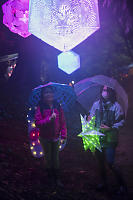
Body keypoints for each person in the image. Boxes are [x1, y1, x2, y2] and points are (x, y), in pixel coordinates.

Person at [88, 85, 127, 194]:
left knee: (110, 162)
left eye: (108, 90)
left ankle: (122, 185)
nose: (106, 93)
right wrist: (89, 118)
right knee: (100, 163)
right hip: (98, 138)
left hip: (110, 139)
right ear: (101, 91)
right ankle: (104, 183)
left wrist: (111, 128)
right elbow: (91, 115)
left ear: (112, 93)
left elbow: (121, 122)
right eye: (104, 90)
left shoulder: (116, 106)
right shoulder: (96, 104)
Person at [35, 86, 67, 187]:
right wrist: (49, 119)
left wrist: (64, 135)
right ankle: (49, 177)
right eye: (46, 93)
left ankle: (57, 178)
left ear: (53, 94)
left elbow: (62, 122)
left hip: (56, 137)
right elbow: (38, 123)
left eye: (50, 92)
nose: (48, 94)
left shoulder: (57, 106)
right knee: (48, 158)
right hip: (45, 138)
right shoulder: (41, 107)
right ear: (43, 95)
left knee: (56, 158)